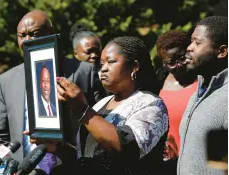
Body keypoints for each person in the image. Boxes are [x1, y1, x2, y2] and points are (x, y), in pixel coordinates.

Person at [0, 10, 106, 175]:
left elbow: (101, 126)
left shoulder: (84, 72)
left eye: (34, 34)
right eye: (21, 36)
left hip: (73, 168)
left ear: (52, 33)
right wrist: (8, 166)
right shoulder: (6, 80)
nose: (27, 41)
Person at [54, 36, 169, 174]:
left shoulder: (152, 105)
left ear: (134, 66)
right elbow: (88, 155)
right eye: (102, 64)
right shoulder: (101, 104)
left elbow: (125, 149)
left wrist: (83, 110)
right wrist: (57, 148)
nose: (103, 69)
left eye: (111, 62)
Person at [177, 16, 228, 175]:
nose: (189, 48)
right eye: (191, 41)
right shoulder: (198, 93)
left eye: (198, 43)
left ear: (221, 52)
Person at [155, 30, 198, 174]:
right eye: (171, 63)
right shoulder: (157, 84)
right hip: (167, 164)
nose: (178, 65)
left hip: (196, 162)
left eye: (181, 58)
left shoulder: (203, 80)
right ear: (163, 63)